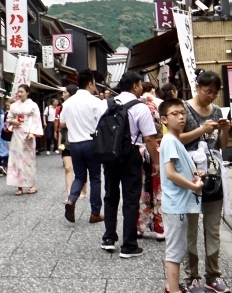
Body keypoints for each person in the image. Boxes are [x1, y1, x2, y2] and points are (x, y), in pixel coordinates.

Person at [177, 71, 232, 293]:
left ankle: (213, 275)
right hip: (190, 175)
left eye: (215, 93)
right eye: (208, 91)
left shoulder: (217, 111)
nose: (211, 96)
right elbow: (175, 139)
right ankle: (192, 277)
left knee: (213, 228)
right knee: (190, 229)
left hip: (213, 175)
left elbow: (221, 146)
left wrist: (225, 130)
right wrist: (202, 130)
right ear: (197, 87)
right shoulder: (183, 109)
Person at [100, 71, 159, 258]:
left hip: (109, 154)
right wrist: (156, 161)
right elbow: (149, 138)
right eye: (140, 84)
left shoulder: (106, 104)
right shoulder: (140, 108)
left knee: (110, 196)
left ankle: (109, 238)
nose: (141, 87)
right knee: (131, 199)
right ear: (135, 86)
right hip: (131, 155)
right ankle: (128, 245)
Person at [157, 98, 204, 293]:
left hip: (178, 203)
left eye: (182, 112)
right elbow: (170, 173)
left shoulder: (174, 140)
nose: (181, 117)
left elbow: (178, 170)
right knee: (175, 251)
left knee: (177, 247)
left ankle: (172, 288)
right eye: (175, 114)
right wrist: (194, 186)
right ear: (164, 119)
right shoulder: (169, 140)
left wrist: (195, 176)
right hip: (176, 204)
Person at [60, 71, 106, 223]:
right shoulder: (95, 102)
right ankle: (95, 213)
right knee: (95, 178)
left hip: (74, 144)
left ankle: (72, 199)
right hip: (91, 142)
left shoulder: (67, 103)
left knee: (79, 176)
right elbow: (102, 121)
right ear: (90, 83)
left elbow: (62, 123)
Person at [137, 81, 165, 240]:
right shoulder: (160, 104)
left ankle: (140, 227)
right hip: (158, 146)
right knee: (158, 189)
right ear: (153, 90)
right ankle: (161, 228)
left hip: (140, 147)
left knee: (142, 190)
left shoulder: (137, 105)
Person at [6, 84, 43, 195]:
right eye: (19, 92)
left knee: (28, 159)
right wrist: (13, 121)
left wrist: (32, 132)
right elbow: (9, 118)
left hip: (28, 133)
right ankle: (19, 186)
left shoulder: (33, 105)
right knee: (16, 159)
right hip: (17, 133)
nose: (20, 93)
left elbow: (36, 119)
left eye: (22, 91)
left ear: (27, 93)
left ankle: (32, 185)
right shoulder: (14, 106)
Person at [59, 84, 77, 199]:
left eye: (65, 92)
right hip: (66, 140)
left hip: (78, 139)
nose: (63, 94)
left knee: (80, 169)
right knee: (68, 168)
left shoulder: (77, 105)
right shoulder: (63, 106)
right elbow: (61, 125)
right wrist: (59, 142)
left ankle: (82, 190)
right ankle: (69, 194)